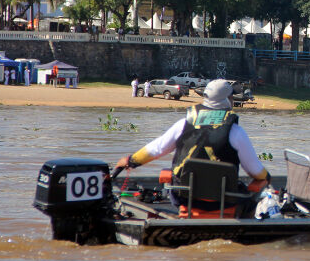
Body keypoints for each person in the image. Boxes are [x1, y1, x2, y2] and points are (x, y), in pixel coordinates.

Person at [115, 79, 270, 215]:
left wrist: (131, 160)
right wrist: (266, 177)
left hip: (184, 198)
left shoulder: (184, 124)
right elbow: (255, 171)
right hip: (224, 200)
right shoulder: (235, 131)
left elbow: (158, 148)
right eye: (231, 96)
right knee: (259, 184)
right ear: (227, 100)